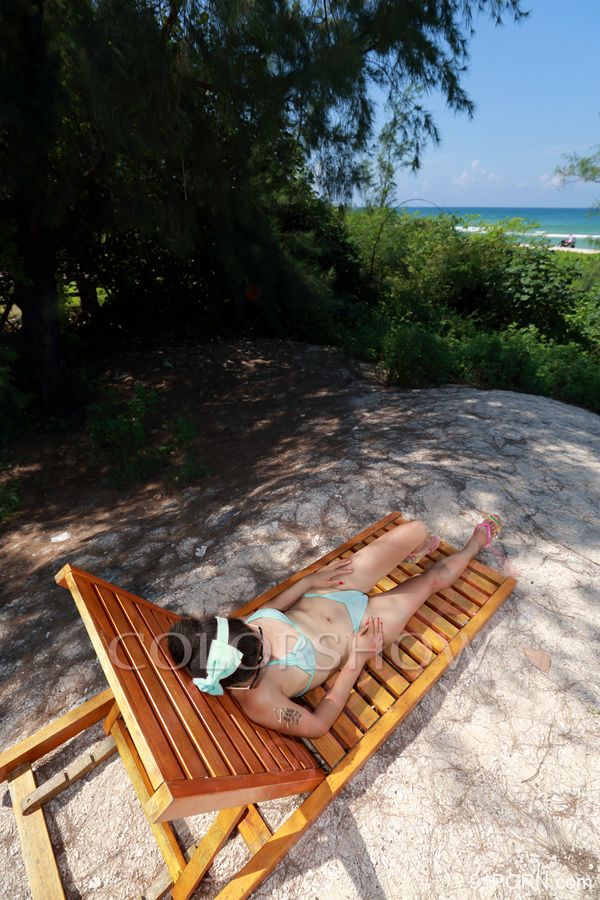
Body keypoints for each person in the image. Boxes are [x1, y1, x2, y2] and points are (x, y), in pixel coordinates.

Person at [167, 515, 502, 737]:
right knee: (429, 581)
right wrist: (357, 658)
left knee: (416, 529)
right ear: (242, 677)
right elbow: (317, 726)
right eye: (263, 657)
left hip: (328, 593)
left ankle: (418, 547)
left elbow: (272, 608)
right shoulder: (261, 703)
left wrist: (309, 581)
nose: (267, 646)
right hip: (362, 629)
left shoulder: (230, 635)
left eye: (259, 634)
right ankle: (475, 545)